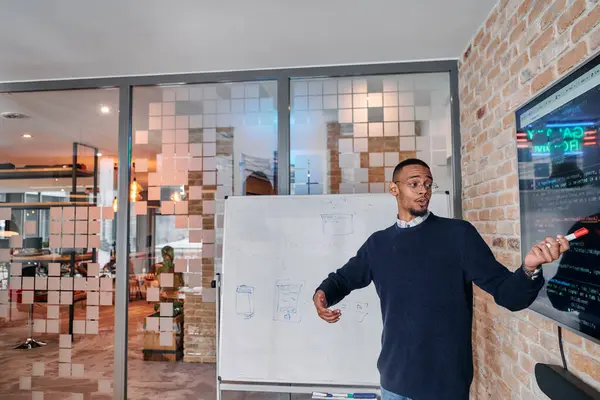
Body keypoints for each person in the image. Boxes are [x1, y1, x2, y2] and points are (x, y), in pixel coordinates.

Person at [313, 158, 569, 400]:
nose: (423, 190)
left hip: (444, 386)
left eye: (427, 183)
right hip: (393, 381)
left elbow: (508, 293)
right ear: (394, 189)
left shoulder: (458, 235)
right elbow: (343, 279)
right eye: (414, 184)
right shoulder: (378, 244)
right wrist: (322, 294)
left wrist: (529, 268)